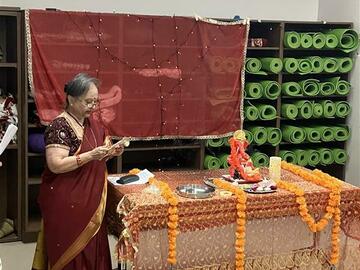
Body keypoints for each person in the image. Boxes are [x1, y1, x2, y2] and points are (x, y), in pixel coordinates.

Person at [32, 73, 124, 270]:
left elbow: (95, 156)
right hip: (67, 202)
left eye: (95, 101)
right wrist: (91, 155)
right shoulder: (60, 126)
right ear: (72, 99)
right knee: (71, 249)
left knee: (93, 246)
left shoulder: (91, 124)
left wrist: (110, 153)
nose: (93, 106)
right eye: (88, 101)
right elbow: (55, 164)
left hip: (91, 201)